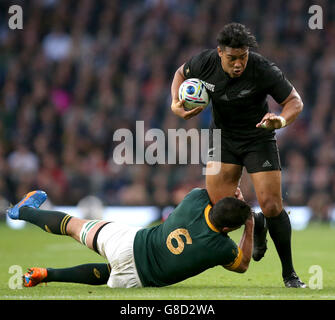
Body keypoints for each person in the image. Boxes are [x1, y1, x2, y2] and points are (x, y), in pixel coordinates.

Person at [170, 23, 305, 288]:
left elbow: (295, 101)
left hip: (258, 137)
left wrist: (280, 120)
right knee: (222, 213)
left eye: (242, 57)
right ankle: (255, 223)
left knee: (272, 206)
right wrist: (175, 103)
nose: (238, 64)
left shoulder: (262, 69)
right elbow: (179, 73)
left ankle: (289, 274)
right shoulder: (204, 63)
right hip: (224, 139)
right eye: (232, 58)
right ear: (220, 53)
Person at [7, 188, 254, 288]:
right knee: (111, 273)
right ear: (228, 230)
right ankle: (47, 274)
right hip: (137, 279)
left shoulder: (195, 199)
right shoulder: (222, 247)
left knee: (73, 226)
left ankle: (23, 211)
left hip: (126, 242)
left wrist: (232, 195)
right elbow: (243, 265)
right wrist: (250, 226)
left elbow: (212, 188)